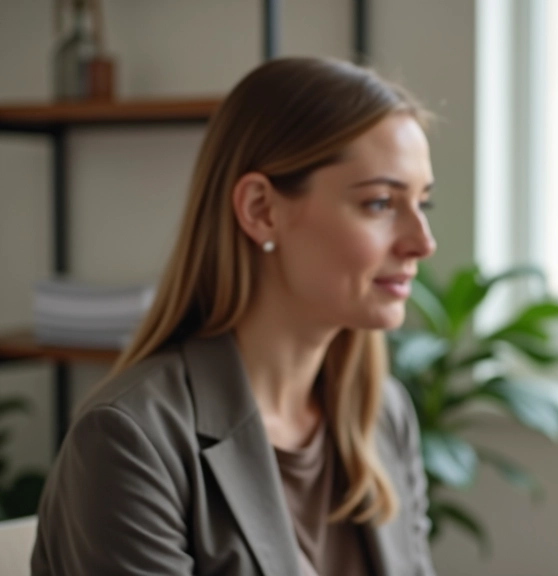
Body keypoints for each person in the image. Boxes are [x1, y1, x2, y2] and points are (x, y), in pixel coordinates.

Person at [31, 57, 437, 576]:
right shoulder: (130, 442)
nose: (422, 242)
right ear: (260, 209)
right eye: (380, 203)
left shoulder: (383, 415)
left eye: (423, 202)